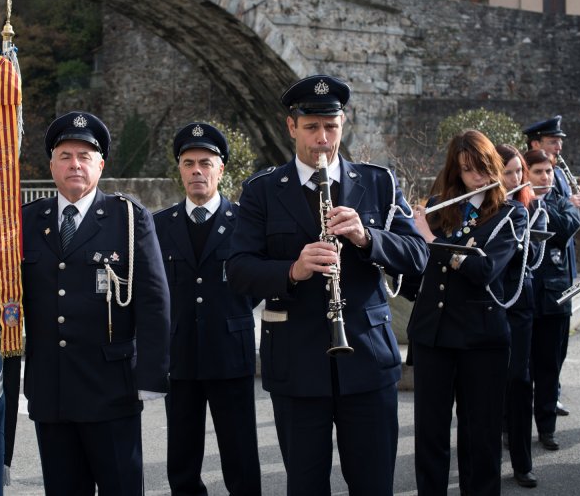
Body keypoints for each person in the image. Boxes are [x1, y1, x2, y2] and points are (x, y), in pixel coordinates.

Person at [226, 74, 429, 494]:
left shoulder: (378, 182)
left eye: (331, 127)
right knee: (305, 485)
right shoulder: (262, 191)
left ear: (343, 124)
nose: (322, 139)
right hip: (296, 364)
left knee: (373, 484)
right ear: (291, 127)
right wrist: (292, 270)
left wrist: (367, 238)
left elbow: (418, 257)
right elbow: (239, 270)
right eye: (311, 127)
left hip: (368, 362)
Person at [21, 111, 171, 496]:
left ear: (100, 165)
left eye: (84, 156)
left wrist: (151, 379)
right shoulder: (26, 221)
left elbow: (154, 301)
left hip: (111, 391)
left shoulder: (128, 218)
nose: (75, 164)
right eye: (66, 155)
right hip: (51, 389)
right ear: (51, 164)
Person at [408, 130, 527, 496]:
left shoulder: (511, 214)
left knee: (480, 437)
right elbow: (418, 270)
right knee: (430, 433)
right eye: (466, 170)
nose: (475, 176)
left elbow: (484, 271)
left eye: (481, 167)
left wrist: (430, 240)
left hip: (481, 338)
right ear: (455, 171)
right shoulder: (439, 207)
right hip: (434, 334)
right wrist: (407, 236)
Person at [153, 122, 261, 496]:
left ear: (221, 169)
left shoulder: (245, 222)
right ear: (179, 170)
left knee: (241, 453)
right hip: (180, 355)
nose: (197, 170)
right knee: (181, 456)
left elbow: (255, 284)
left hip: (230, 352)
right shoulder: (159, 225)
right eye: (188, 163)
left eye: (205, 162)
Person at [523, 115, 580, 417]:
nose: (559, 146)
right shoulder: (527, 175)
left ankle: (550, 400)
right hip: (539, 274)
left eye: (559, 141)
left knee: (554, 352)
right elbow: (558, 225)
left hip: (561, 273)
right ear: (535, 143)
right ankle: (528, 411)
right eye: (553, 141)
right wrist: (571, 208)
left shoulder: (559, 174)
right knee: (530, 356)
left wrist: (579, 200)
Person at [523, 148, 580, 452]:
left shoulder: (561, 203)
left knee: (548, 368)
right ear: (525, 174)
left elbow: (564, 229)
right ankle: (511, 427)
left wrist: (537, 202)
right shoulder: (517, 202)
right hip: (523, 299)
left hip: (555, 300)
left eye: (548, 172)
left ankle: (547, 428)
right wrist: (528, 201)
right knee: (518, 371)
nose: (545, 178)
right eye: (538, 172)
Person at [495, 144, 541, 488]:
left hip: (519, 303)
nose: (514, 178)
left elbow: (536, 252)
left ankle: (523, 462)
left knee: (519, 381)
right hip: (487, 302)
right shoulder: (482, 207)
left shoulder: (530, 205)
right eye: (507, 171)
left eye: (517, 171)